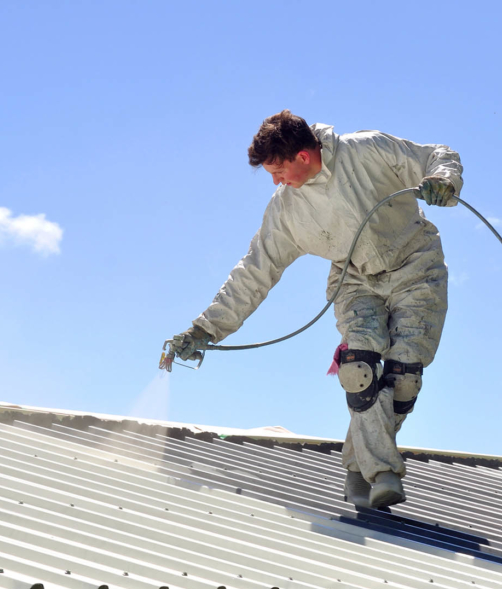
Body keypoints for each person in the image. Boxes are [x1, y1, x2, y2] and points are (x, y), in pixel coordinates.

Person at [171, 110, 463, 508]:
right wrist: (205, 329)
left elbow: (436, 154)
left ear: (303, 157)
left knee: (404, 376)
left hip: (417, 267)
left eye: (278, 170)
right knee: (358, 369)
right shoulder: (286, 210)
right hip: (354, 279)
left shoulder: (366, 150)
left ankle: (357, 468)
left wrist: (443, 179)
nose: (276, 181)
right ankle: (384, 473)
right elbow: (255, 271)